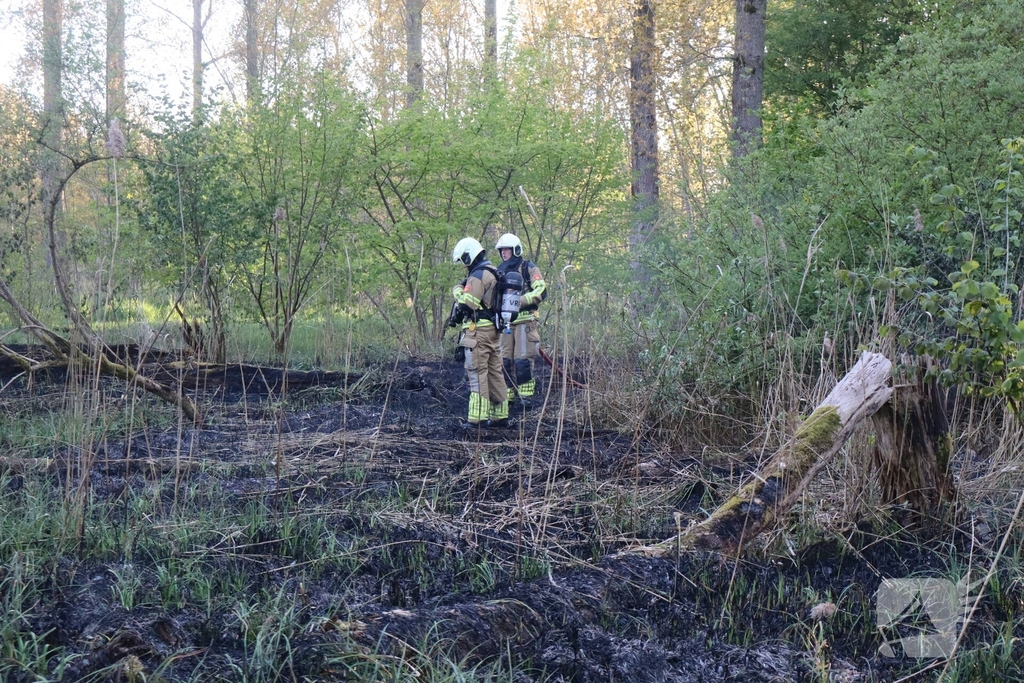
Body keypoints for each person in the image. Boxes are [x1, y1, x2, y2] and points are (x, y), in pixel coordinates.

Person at [450, 237, 510, 429]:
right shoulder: (493, 271)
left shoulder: (478, 275)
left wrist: (457, 291)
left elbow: (467, 304)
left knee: (477, 372)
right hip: (494, 331)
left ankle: (477, 418)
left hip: (478, 334)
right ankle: (501, 415)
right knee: (495, 372)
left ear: (469, 256)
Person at [495, 233, 546, 409]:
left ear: (516, 250)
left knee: (522, 361)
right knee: (504, 361)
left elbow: (540, 289)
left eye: (507, 249)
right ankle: (507, 396)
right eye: (501, 250)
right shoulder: (498, 271)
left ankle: (526, 397)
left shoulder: (528, 268)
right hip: (505, 323)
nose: (504, 253)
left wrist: (521, 301)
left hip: (525, 322)